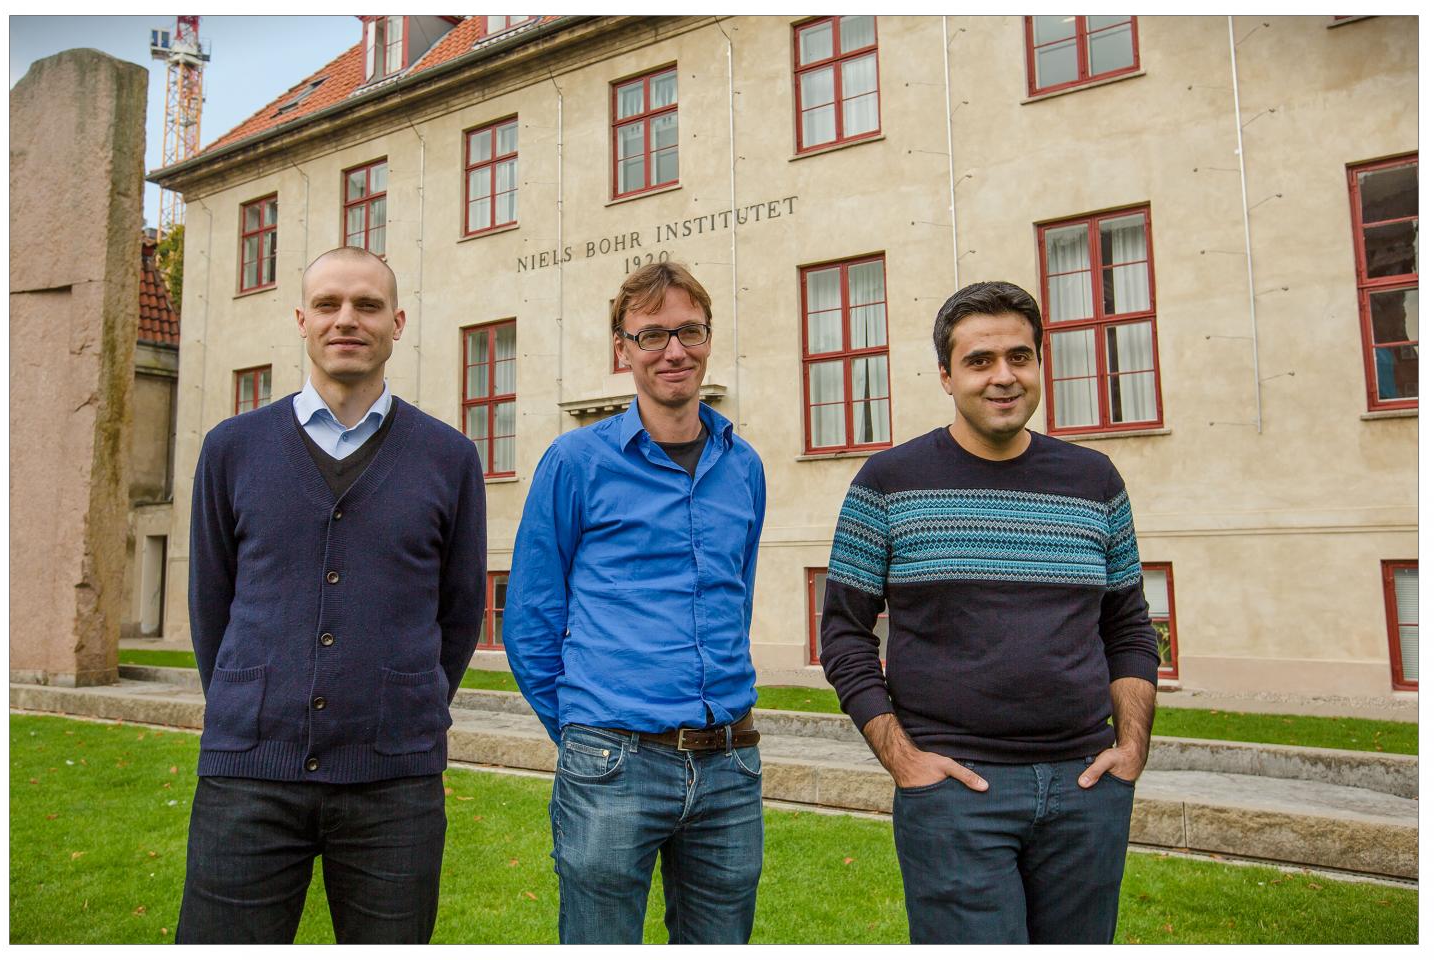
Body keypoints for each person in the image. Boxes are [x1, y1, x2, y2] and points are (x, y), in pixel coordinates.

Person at [819, 280, 1159, 944]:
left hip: (1086, 789)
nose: (1003, 376)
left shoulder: (1095, 481)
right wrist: (904, 760)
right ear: (947, 376)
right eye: (980, 361)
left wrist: (1131, 750)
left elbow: (1127, 627)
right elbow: (844, 634)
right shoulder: (887, 483)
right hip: (955, 792)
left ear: (1039, 364)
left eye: (1019, 357)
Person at [178, 246, 486, 944]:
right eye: (328, 304)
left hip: (393, 782)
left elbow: (461, 609)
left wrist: (404, 705)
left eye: (367, 305)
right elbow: (211, 603)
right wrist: (249, 705)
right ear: (302, 320)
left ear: (396, 323)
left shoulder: (448, 457)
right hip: (249, 775)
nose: (347, 319)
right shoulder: (232, 448)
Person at [503, 261, 767, 944]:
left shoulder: (744, 466)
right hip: (613, 764)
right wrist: (586, 733)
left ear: (708, 339)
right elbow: (530, 620)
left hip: (730, 762)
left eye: (689, 331)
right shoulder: (575, 462)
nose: (674, 350)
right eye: (652, 335)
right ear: (623, 349)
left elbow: (735, 597)